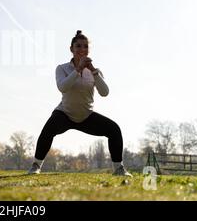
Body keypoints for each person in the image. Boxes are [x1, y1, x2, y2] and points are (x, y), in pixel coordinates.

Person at [28, 30, 132, 177]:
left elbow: (105, 92)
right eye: (78, 46)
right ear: (71, 49)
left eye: (85, 46)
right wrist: (78, 69)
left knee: (114, 130)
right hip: (64, 113)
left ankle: (119, 169)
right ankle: (36, 166)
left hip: (86, 116)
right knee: (47, 131)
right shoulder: (62, 68)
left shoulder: (95, 71)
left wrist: (93, 71)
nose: (82, 50)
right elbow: (62, 87)